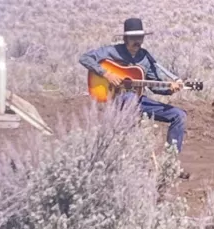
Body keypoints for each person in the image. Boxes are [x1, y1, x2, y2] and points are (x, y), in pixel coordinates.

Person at [78, 17, 190, 179]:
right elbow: (85, 58)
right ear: (125, 39)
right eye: (133, 38)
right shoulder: (112, 51)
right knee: (130, 98)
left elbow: (153, 84)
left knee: (179, 115)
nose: (138, 42)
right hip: (115, 99)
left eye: (140, 38)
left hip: (137, 100)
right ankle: (133, 162)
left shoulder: (145, 57)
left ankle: (169, 165)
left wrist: (170, 89)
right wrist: (106, 73)